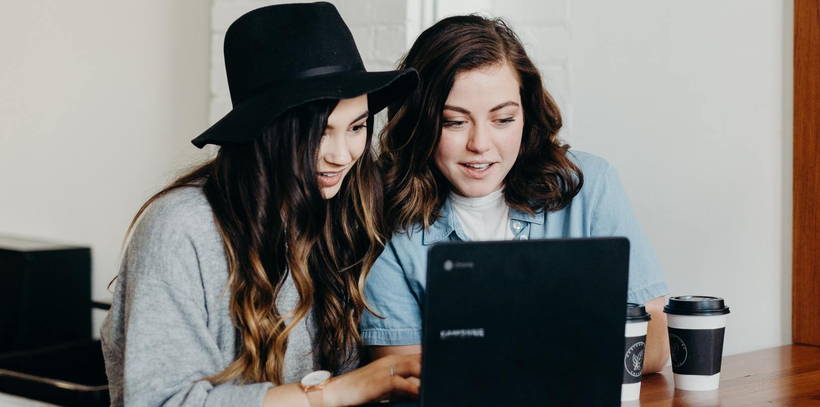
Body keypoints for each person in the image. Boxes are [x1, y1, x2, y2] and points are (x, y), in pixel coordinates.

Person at [100, 3, 422, 407]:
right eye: (319, 133)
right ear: (266, 131)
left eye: (357, 127)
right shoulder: (181, 228)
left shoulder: (345, 212)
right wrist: (337, 392)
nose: (343, 154)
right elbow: (161, 401)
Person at [361, 15, 671, 375]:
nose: (480, 144)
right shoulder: (384, 215)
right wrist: (570, 342)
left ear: (527, 115)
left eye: (503, 119)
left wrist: (490, 356)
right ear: (420, 122)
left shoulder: (589, 185)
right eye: (454, 122)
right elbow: (402, 374)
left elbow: (654, 345)